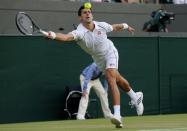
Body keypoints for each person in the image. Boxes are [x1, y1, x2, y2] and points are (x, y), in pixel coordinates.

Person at [46, 2, 144, 128]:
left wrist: (126, 26)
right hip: (99, 60)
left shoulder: (101, 25)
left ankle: (118, 115)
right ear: (80, 17)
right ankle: (135, 96)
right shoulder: (79, 33)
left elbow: (114, 27)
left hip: (110, 52)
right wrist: (53, 35)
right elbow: (65, 37)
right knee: (118, 79)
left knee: (110, 77)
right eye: (84, 12)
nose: (88, 14)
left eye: (89, 12)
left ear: (92, 14)